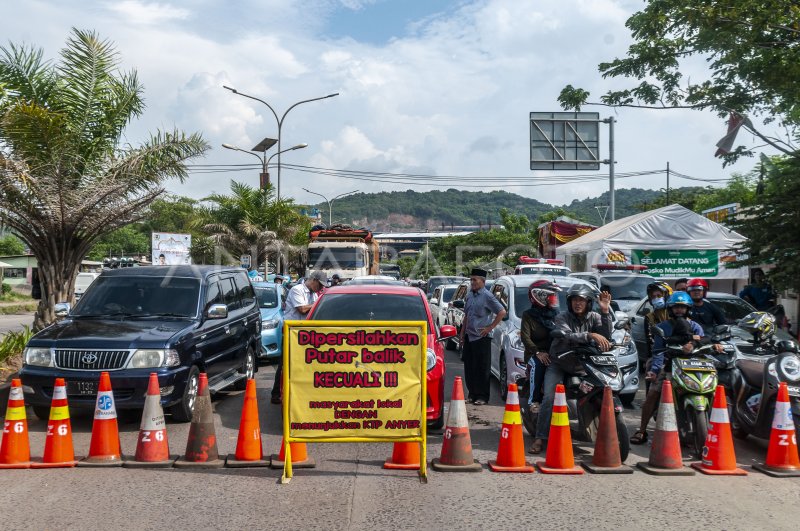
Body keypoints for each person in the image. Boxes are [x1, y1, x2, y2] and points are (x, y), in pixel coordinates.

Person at [530, 283, 612, 454]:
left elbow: (606, 336)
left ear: (588, 302)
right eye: (575, 300)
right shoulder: (562, 317)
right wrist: (589, 335)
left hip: (584, 365)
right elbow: (567, 335)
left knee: (603, 390)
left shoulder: (595, 316)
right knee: (549, 397)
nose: (578, 303)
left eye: (582, 300)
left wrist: (605, 312)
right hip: (560, 363)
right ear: (569, 302)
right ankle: (540, 437)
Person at [630, 291, 722, 443]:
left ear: (688, 309)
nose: (679, 310)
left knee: (715, 388)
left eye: (682, 307)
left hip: (693, 365)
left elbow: (704, 341)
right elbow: (658, 351)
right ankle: (642, 430)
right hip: (669, 364)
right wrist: (654, 371)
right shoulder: (662, 327)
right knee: (653, 394)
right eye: (676, 307)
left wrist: (705, 345)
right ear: (671, 309)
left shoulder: (695, 326)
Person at [271, 270, 327, 404]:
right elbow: (302, 309)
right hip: (292, 331)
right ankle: (276, 393)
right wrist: (320, 304)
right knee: (285, 363)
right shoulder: (297, 290)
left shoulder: (314, 294)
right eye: (319, 285)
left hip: (305, 332)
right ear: (313, 280)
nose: (320, 288)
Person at [520, 280, 561, 452]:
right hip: (535, 353)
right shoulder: (528, 315)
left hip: (554, 353)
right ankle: (534, 400)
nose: (554, 299)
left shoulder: (557, 314)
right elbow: (525, 338)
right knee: (538, 365)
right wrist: (537, 352)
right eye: (551, 295)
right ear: (540, 296)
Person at [460, 268, 506, 405]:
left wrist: (490, 327)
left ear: (483, 281)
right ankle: (472, 394)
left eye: (475, 280)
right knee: (469, 367)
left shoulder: (487, 296)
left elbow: (502, 312)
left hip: (482, 337)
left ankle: (482, 396)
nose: (472, 282)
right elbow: (466, 316)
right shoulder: (469, 296)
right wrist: (462, 334)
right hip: (469, 336)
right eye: (471, 279)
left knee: (482, 368)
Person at [642, 281, 672, 387]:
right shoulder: (649, 317)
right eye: (653, 296)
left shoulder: (676, 313)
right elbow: (650, 342)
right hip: (659, 354)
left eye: (659, 295)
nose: (656, 298)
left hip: (679, 353)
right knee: (649, 365)